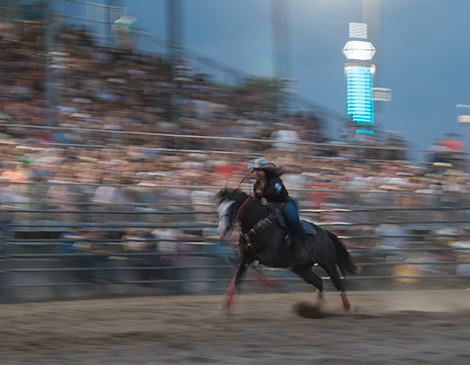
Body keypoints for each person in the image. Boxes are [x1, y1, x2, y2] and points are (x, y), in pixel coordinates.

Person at [247, 158, 305, 246]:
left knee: (293, 220)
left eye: (258, 170)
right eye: (254, 170)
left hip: (285, 204)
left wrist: (259, 194)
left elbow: (274, 193)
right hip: (270, 206)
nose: (255, 173)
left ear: (265, 171)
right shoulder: (257, 184)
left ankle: (302, 241)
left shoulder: (275, 181)